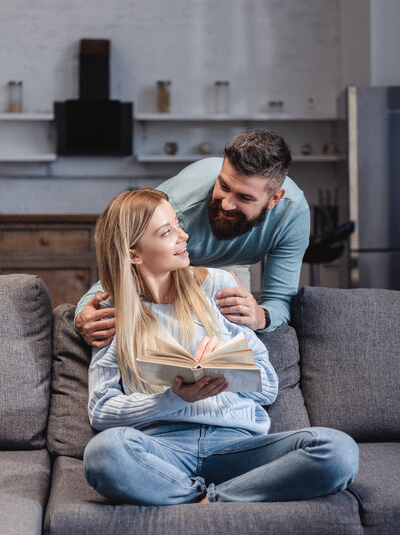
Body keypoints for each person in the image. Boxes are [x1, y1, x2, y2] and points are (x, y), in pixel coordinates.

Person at [83, 187, 358, 505]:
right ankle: (198, 494)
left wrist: (230, 364)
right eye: (167, 232)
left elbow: (268, 386)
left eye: (177, 224)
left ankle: (208, 500)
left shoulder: (218, 286)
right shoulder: (114, 315)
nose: (183, 236)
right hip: (163, 450)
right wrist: (171, 399)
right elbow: (101, 409)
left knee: (337, 451)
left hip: (238, 447)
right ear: (133, 253)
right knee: (104, 454)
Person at [75, 129, 310, 349]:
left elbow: (280, 299)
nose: (227, 204)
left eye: (245, 197)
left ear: (274, 199)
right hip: (175, 264)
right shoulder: (178, 209)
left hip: (234, 267)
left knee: (239, 334)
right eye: (224, 185)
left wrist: (261, 316)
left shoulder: (293, 215)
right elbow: (124, 258)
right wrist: (83, 312)